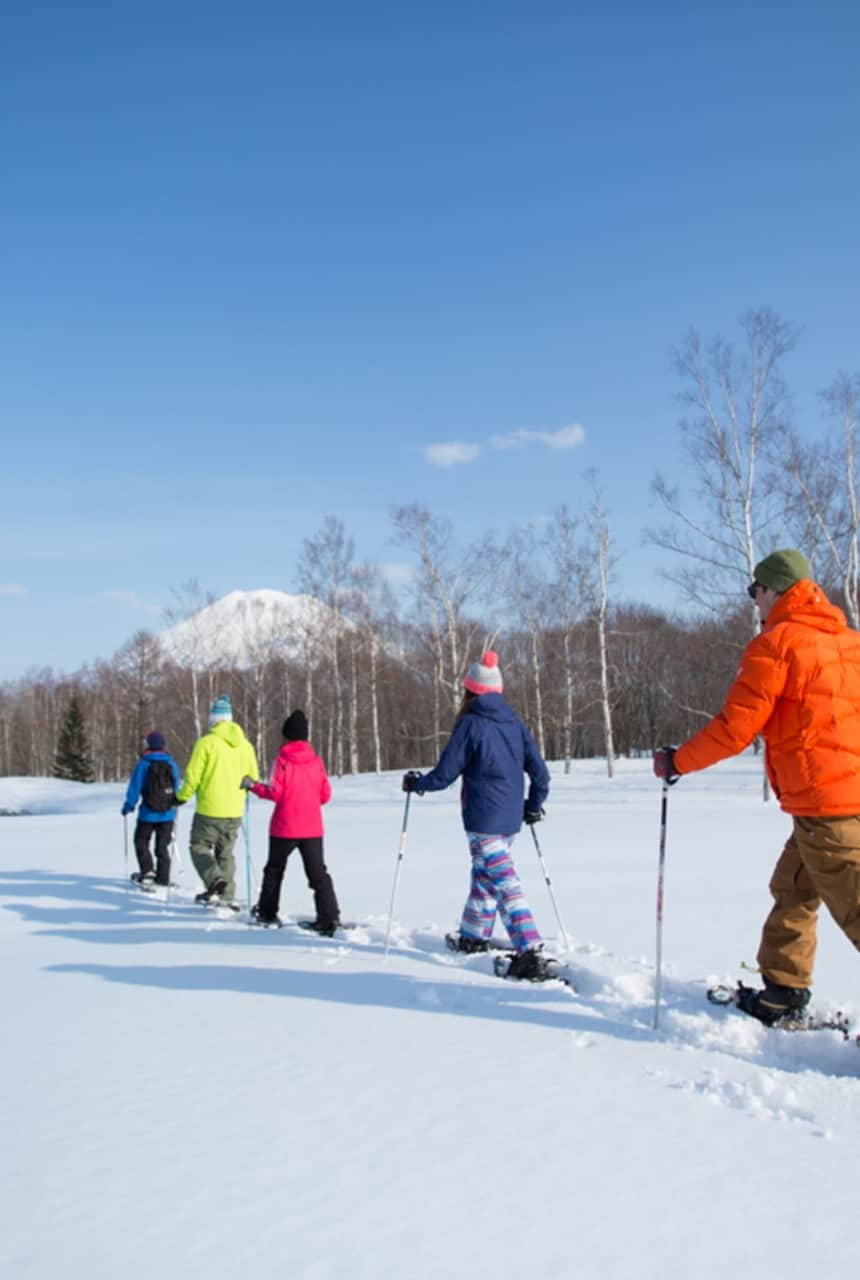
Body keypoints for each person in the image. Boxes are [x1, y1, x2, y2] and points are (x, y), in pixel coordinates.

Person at [653, 549, 860, 1025]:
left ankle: (784, 994)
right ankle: (782, 995)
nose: (754, 603)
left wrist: (677, 762)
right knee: (792, 890)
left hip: (828, 804)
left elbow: (735, 729)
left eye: (755, 592)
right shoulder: (847, 642)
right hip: (830, 802)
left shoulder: (777, 645)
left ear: (773, 590)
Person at [402, 651, 552, 980]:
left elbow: (445, 774)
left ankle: (528, 949)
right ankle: (473, 935)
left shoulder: (471, 724)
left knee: (503, 881)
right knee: (485, 876)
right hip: (509, 819)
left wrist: (417, 784)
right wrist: (533, 805)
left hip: (484, 819)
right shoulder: (515, 723)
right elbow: (540, 773)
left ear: (471, 691)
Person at [242, 709, 340, 933]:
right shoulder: (316, 761)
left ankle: (267, 913)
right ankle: (329, 916)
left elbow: (275, 792)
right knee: (318, 873)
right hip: (312, 828)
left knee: (274, 870)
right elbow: (325, 796)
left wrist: (253, 786)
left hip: (284, 827)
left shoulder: (282, 760)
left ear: (286, 735)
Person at [176, 694, 259, 907]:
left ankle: (215, 880)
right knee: (226, 853)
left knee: (198, 847)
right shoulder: (246, 746)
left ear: (213, 720)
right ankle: (226, 895)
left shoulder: (206, 743)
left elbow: (193, 776)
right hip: (234, 810)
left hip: (209, 809)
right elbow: (253, 778)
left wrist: (181, 797)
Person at [121, 730, 181, 887]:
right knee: (162, 846)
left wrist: (129, 806)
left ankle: (147, 871)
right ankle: (163, 877)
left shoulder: (144, 764)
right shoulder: (171, 764)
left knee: (141, 841)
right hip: (167, 814)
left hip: (147, 814)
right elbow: (176, 787)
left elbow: (135, 787)